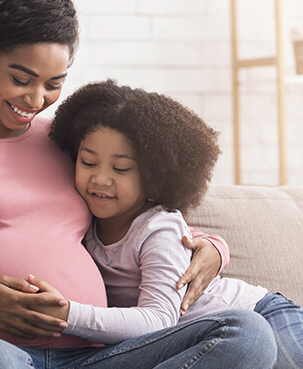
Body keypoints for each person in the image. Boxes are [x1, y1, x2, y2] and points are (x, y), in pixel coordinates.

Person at [0, 1, 277, 368]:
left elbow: (128, 211)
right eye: (20, 78)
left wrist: (210, 244)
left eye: (53, 84)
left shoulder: (62, 139)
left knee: (246, 333)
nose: (34, 101)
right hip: (1, 354)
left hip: (102, 353)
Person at [34, 79, 301, 368]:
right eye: (88, 162)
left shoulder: (158, 228)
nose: (100, 178)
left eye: (121, 168)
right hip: (195, 348)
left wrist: (66, 314)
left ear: (153, 175)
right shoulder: (83, 221)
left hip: (259, 314)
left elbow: (158, 320)